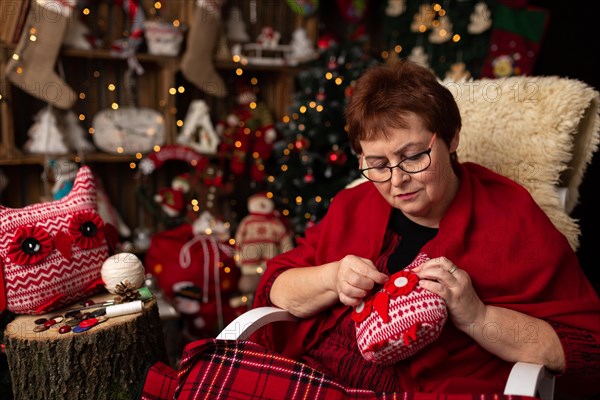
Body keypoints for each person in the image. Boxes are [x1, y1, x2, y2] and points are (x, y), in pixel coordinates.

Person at [139, 60, 600, 399]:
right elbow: (276, 288)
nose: (396, 180)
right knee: (196, 379)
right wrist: (331, 276)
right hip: (320, 375)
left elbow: (582, 347)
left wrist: (478, 317)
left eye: (413, 156)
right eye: (376, 164)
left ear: (452, 137)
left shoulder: (511, 216)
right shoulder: (354, 203)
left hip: (427, 389)